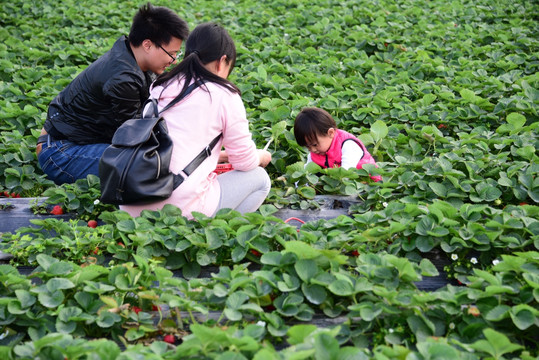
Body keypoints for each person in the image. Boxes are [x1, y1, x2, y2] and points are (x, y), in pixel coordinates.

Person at [120, 22, 272, 219]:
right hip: (176, 209)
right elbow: (245, 161)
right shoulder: (224, 95)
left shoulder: (161, 86)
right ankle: (214, 232)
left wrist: (221, 156)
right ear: (222, 61)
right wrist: (261, 156)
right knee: (260, 179)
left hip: (131, 203)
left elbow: (171, 146)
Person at [36, 3, 189, 185]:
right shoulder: (123, 78)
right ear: (147, 45)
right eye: (171, 54)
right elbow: (137, 137)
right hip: (61, 153)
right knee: (147, 166)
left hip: (78, 144)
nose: (173, 61)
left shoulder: (132, 56)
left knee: (159, 160)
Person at [294, 107, 382, 182]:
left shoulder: (348, 145)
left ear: (330, 133)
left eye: (315, 145)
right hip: (340, 184)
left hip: (368, 182)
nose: (312, 150)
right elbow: (307, 173)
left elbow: (346, 174)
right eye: (307, 146)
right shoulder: (316, 152)